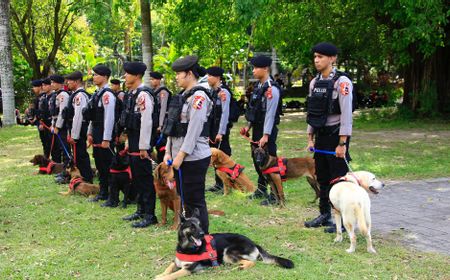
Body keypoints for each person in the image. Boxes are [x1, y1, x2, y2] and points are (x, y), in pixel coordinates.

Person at [304, 42, 353, 233]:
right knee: (322, 177)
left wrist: (342, 143)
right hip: (321, 136)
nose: (317, 60)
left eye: (321, 57)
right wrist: (310, 137)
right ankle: (325, 214)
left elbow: (347, 115)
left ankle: (341, 220)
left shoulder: (343, 83)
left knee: (338, 178)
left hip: (336, 136)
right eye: (315, 56)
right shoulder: (314, 83)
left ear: (332, 59)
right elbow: (313, 112)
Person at [162, 55, 212, 233]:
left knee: (195, 201)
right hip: (178, 158)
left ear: (189, 73)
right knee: (185, 199)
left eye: (178, 74)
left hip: (193, 157)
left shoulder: (199, 97)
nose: (176, 77)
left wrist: (181, 156)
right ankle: (192, 236)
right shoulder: (182, 96)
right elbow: (172, 127)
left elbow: (193, 131)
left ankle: (203, 239)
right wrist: (168, 152)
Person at [121, 61, 158, 228]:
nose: (125, 76)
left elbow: (147, 122)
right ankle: (141, 209)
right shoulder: (132, 94)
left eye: (128, 73)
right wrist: (129, 141)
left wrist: (144, 146)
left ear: (136, 76)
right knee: (136, 178)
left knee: (145, 180)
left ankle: (150, 215)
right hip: (134, 142)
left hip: (142, 144)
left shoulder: (143, 95)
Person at [242, 55, 282, 206]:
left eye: (255, 68)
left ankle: (274, 194)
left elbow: (270, 114)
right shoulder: (259, 87)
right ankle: (261, 189)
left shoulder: (271, 89)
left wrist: (266, 135)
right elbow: (255, 110)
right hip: (257, 128)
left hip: (268, 130)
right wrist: (248, 127)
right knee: (257, 159)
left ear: (265, 69)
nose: (253, 71)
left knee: (269, 161)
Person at [86, 64, 117, 204]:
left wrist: (106, 138)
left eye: (96, 75)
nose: (94, 77)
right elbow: (94, 116)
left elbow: (109, 118)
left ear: (105, 77)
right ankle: (103, 192)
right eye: (94, 74)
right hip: (97, 134)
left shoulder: (107, 95)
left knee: (107, 166)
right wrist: (90, 132)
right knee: (99, 165)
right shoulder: (96, 94)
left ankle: (112, 195)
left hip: (104, 136)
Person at [205, 66, 232, 193]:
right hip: (212, 130)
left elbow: (225, 113)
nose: (208, 78)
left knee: (223, 155)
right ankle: (218, 183)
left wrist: (221, 132)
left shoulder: (223, 92)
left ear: (217, 78)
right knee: (214, 157)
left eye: (210, 76)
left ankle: (226, 183)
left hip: (220, 131)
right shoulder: (212, 92)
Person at [65, 71, 94, 182]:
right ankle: (81, 177)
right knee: (78, 155)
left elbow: (78, 117)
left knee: (80, 156)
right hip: (77, 128)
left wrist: (74, 135)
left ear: (77, 81)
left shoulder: (80, 95)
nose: (67, 83)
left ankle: (86, 178)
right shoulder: (76, 94)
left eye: (70, 80)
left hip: (80, 128)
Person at [149, 71, 171, 163]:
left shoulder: (163, 91)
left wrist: (161, 125)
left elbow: (163, 109)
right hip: (156, 121)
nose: (151, 81)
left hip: (163, 122)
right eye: (150, 79)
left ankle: (163, 165)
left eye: (153, 79)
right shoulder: (154, 91)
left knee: (161, 145)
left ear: (158, 80)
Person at [49, 74, 71, 166]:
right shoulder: (56, 94)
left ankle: (68, 168)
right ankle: (64, 168)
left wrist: (58, 126)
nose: (52, 84)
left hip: (63, 126)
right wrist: (52, 124)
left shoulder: (63, 95)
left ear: (60, 84)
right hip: (56, 124)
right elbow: (54, 114)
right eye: (51, 82)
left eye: (54, 82)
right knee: (60, 147)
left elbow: (62, 112)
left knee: (65, 148)